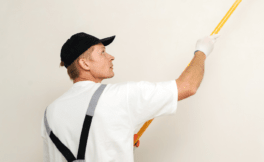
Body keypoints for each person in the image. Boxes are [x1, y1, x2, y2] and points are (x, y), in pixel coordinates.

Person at [41, 32, 220, 162]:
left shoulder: (50, 112)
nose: (111, 56)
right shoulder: (119, 97)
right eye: (102, 52)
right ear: (84, 63)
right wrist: (201, 51)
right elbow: (188, 86)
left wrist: (119, 139)